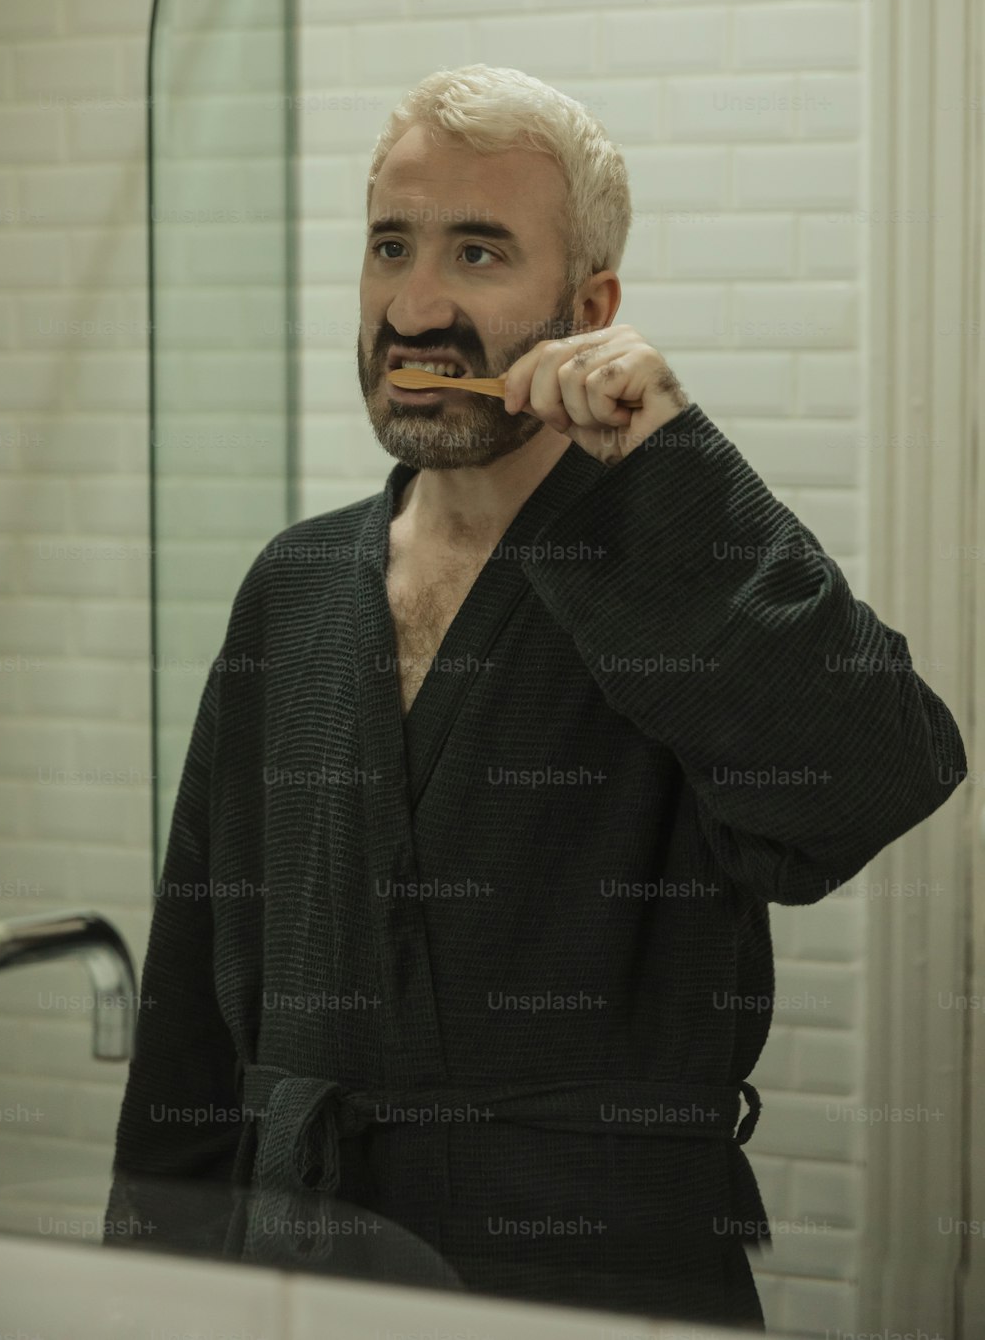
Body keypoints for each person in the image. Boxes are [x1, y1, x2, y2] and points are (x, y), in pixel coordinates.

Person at [106, 64, 967, 1327]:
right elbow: (189, 1006)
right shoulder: (289, 590)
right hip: (303, 1277)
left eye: (478, 252)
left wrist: (668, 468)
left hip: (600, 1278)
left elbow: (880, 772)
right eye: (390, 246)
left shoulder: (671, 567)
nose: (413, 304)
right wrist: (139, 1291)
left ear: (590, 307)